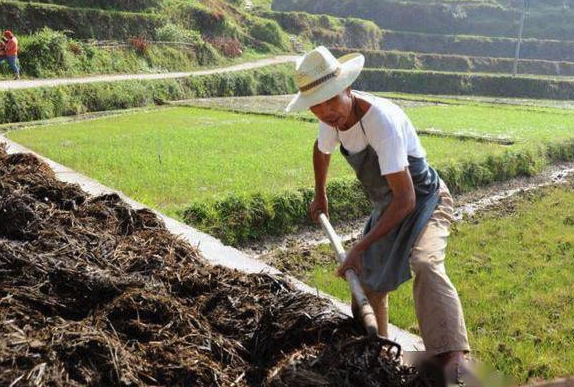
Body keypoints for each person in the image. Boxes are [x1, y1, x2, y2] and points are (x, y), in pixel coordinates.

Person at [285, 46, 472, 383]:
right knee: (367, 290)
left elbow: (406, 199)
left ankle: (452, 362)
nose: (326, 111)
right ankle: (380, 359)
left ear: (347, 88)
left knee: (426, 264)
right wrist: (320, 194)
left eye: (331, 100)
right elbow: (321, 149)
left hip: (426, 200)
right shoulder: (332, 120)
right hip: (389, 206)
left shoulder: (379, 120)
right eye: (317, 106)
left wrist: (358, 247)